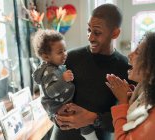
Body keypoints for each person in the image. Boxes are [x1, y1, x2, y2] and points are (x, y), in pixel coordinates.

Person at [53, 4, 133, 140]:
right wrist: (53, 115)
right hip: (62, 136)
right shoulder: (70, 57)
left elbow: (129, 118)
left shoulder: (126, 68)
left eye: (97, 32)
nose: (90, 37)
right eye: (88, 30)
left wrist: (93, 119)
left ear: (115, 33)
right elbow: (49, 91)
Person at [106, 31, 155, 140]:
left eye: (137, 52)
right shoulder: (148, 92)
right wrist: (131, 97)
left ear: (154, 66)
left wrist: (122, 102)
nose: (129, 55)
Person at [32, 29, 98, 140]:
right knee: (82, 122)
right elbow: (50, 92)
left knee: (81, 120)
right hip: (58, 106)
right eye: (60, 52)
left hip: (63, 103)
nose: (65, 54)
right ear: (46, 57)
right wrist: (63, 79)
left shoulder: (56, 66)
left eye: (65, 50)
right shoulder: (49, 72)